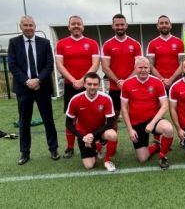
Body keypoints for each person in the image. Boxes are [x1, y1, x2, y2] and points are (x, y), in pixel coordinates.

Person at [8, 15, 60, 165]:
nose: (29, 28)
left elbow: (49, 64)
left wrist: (38, 80)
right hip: (23, 89)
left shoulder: (44, 43)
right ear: (21, 27)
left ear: (35, 26)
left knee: (48, 120)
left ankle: (53, 149)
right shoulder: (14, 43)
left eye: (31, 25)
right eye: (25, 25)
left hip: (42, 87)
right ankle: (25, 153)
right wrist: (27, 81)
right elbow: (12, 65)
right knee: (24, 122)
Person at [56, 15, 100, 159]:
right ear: (69, 27)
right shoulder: (61, 43)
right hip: (70, 86)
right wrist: (73, 80)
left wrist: (83, 80)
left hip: (89, 86)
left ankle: (97, 144)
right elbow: (59, 65)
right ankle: (70, 147)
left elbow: (95, 64)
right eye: (73, 24)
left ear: (83, 27)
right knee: (71, 119)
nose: (76, 26)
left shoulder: (92, 43)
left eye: (78, 24)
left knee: (93, 116)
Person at [120, 57, 174, 169]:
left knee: (168, 129)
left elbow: (164, 106)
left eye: (146, 67)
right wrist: (130, 129)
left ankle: (163, 156)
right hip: (136, 123)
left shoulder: (157, 82)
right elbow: (124, 108)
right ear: (135, 68)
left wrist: (152, 123)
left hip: (153, 120)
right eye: (140, 67)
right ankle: (156, 146)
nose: (143, 70)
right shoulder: (127, 84)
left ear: (149, 68)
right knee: (142, 159)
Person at [66, 72, 118, 171]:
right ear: (84, 84)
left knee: (113, 135)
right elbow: (68, 124)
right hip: (84, 134)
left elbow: (110, 123)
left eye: (95, 84)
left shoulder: (106, 98)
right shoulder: (75, 99)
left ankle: (107, 160)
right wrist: (83, 137)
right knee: (89, 165)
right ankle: (97, 147)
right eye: (89, 84)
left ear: (99, 85)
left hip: (100, 131)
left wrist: (93, 135)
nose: (92, 87)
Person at [102, 14, 142, 132]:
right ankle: (113, 144)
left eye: (122, 24)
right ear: (113, 26)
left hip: (133, 87)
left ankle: (139, 142)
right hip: (115, 87)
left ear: (126, 26)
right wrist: (118, 81)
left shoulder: (135, 44)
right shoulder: (107, 44)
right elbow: (105, 67)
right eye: (117, 25)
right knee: (113, 117)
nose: (120, 27)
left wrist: (126, 82)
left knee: (136, 116)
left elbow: (138, 66)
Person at [147, 15, 185, 90]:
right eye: (161, 23)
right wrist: (162, 80)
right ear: (157, 26)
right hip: (158, 82)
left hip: (176, 82)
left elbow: (182, 64)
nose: (164, 25)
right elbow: (150, 65)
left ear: (170, 25)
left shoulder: (179, 42)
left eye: (166, 23)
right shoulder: (152, 43)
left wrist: (171, 79)